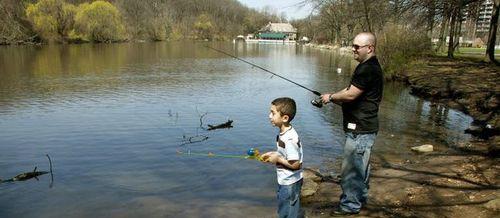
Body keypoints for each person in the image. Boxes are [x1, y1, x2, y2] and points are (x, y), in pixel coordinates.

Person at [320, 32, 384, 215]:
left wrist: (331, 97)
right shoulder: (367, 66)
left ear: (370, 48)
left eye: (357, 46)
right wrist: (330, 98)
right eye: (353, 45)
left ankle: (350, 206)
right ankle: (360, 199)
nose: (353, 49)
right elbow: (350, 90)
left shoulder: (367, 69)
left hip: (360, 129)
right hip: (364, 127)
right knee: (361, 167)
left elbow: (350, 95)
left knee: (351, 170)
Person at [261, 97, 304, 218]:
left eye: (273, 113)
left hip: (290, 182)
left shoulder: (289, 138)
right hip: (285, 180)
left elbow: (296, 165)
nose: (269, 116)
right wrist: (272, 154)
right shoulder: (284, 132)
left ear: (285, 118)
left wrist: (278, 159)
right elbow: (285, 153)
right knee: (286, 209)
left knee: (287, 212)